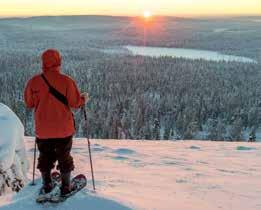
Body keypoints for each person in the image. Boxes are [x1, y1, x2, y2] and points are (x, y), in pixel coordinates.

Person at [24, 49, 88, 196]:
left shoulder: (34, 82)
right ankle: (66, 187)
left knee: (45, 156)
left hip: (43, 130)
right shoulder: (66, 81)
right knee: (64, 156)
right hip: (63, 129)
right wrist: (84, 99)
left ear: (43, 63)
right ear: (59, 62)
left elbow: (29, 103)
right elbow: (75, 102)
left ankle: (47, 185)